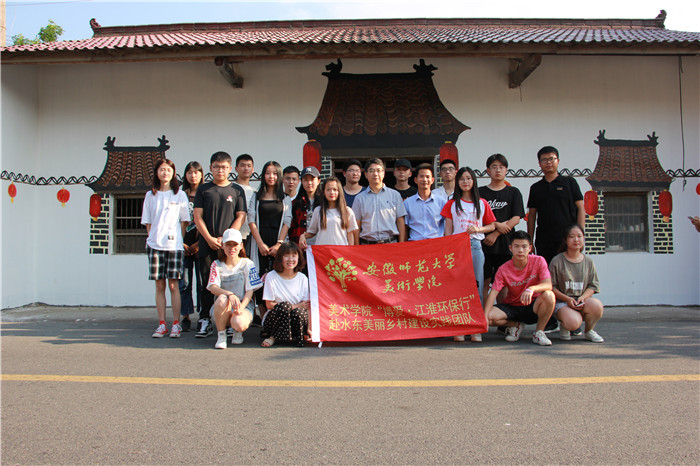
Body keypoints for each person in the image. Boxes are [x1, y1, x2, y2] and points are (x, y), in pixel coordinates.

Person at [193, 152, 247, 338]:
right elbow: (197, 216)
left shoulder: (237, 190)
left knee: (231, 281)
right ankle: (204, 319)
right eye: (216, 167)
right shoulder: (204, 189)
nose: (220, 170)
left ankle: (230, 320)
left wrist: (226, 238)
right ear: (210, 168)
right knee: (207, 283)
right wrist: (209, 238)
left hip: (229, 246)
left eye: (224, 167)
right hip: (207, 244)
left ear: (230, 169)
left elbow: (241, 216)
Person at [441, 166, 496, 342]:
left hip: (475, 246)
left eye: (468, 178)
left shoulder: (482, 203)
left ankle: (475, 328)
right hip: (456, 248)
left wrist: (478, 229)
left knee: (476, 287)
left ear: (474, 181)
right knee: (457, 289)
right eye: (462, 179)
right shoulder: (451, 204)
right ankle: (459, 327)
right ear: (457, 182)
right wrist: (447, 249)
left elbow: (492, 225)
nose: (465, 182)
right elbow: (448, 230)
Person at [140, 158, 190, 338]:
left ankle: (176, 324)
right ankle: (162, 324)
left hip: (174, 246)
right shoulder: (150, 195)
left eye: (168, 170)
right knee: (159, 285)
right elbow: (147, 221)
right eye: (162, 169)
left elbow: (184, 221)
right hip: (155, 245)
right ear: (156, 172)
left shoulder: (180, 195)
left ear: (173, 173)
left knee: (174, 285)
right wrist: (152, 238)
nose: (165, 173)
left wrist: (179, 240)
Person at [483, 231, 556, 346]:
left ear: (530, 248)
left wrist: (531, 289)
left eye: (524, 246)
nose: (520, 250)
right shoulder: (503, 269)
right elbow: (493, 292)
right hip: (513, 307)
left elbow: (548, 285)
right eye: (516, 246)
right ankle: (515, 325)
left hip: (533, 305)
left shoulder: (539, 261)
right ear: (510, 248)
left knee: (549, 295)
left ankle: (539, 332)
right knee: (489, 316)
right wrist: (485, 317)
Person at [248, 161, 293, 318]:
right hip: (259, 242)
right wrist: (260, 243)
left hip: (277, 242)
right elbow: (251, 220)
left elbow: (287, 221)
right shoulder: (256, 196)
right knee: (259, 278)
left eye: (274, 173)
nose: (271, 176)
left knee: (278, 276)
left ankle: (278, 316)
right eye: (268, 173)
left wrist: (279, 244)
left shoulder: (285, 198)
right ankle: (264, 318)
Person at [479, 154, 525, 304]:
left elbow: (516, 218)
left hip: (506, 245)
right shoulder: (480, 192)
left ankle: (502, 313)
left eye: (501, 167)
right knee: (484, 281)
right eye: (494, 167)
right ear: (488, 170)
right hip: (484, 244)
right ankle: (485, 315)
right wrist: (497, 225)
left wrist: (496, 233)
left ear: (506, 170)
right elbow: (477, 217)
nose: (498, 170)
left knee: (503, 283)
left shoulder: (513, 192)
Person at [527, 146, 585, 264]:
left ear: (558, 161)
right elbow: (532, 216)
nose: (548, 162)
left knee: (568, 270)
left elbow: (581, 208)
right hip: (544, 239)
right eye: (544, 160)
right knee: (546, 271)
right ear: (539, 163)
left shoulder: (570, 183)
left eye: (551, 159)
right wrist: (530, 241)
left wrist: (580, 237)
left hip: (567, 238)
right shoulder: (536, 188)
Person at [207, 229, 263, 349]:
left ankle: (237, 331)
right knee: (222, 299)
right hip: (222, 308)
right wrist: (229, 294)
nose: (232, 248)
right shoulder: (216, 264)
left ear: (241, 246)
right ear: (222, 246)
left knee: (240, 323)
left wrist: (241, 307)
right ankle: (221, 335)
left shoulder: (247, 264)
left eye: (235, 245)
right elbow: (212, 287)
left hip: (243, 306)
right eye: (228, 244)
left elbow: (250, 291)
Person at [549, 224, 605, 342]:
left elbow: (593, 285)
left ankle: (589, 331)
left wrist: (582, 298)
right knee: (573, 322)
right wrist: (567, 299)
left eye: (579, 236)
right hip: (563, 302)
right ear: (565, 240)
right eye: (572, 236)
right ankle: (565, 325)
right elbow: (551, 287)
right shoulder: (557, 261)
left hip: (581, 301)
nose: (576, 240)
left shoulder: (588, 261)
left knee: (597, 306)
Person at [261, 242, 311, 347]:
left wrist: (310, 329)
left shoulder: (302, 278)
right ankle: (273, 337)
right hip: (274, 319)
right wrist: (295, 306)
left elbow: (307, 306)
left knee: (299, 313)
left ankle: (297, 336)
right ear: (280, 258)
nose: (290, 259)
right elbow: (269, 305)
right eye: (287, 256)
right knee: (284, 306)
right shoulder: (271, 276)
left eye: (294, 256)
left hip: (294, 318)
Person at [352, 158, 407, 244]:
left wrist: (402, 244)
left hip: (390, 244)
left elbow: (400, 220)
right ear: (366, 174)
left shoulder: (395, 195)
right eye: (371, 171)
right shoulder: (359, 198)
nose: (375, 174)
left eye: (378, 170)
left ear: (383, 173)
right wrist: (356, 246)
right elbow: (356, 223)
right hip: (367, 245)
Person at [179, 160, 204, 332]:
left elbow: (208, 221)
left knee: (202, 283)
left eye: (196, 172)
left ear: (201, 174)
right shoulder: (180, 195)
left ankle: (203, 316)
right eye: (189, 172)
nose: (193, 175)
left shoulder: (205, 194)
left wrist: (198, 244)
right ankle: (186, 316)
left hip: (201, 245)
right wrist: (180, 242)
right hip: (182, 245)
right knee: (185, 283)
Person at [300, 176, 358, 248]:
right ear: (323, 192)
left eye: (335, 189)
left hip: (340, 252)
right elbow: (312, 232)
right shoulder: (318, 211)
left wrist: (350, 250)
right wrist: (303, 236)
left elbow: (350, 234)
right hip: (322, 252)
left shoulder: (347, 211)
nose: (332, 192)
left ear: (339, 191)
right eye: (328, 189)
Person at [404, 163, 447, 241]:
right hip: (416, 244)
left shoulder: (441, 202)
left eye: (427, 177)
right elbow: (405, 227)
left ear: (432, 180)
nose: (424, 180)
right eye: (421, 176)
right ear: (416, 180)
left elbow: (448, 225)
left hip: (436, 243)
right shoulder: (407, 203)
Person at [288, 166, 321, 246]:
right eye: (306, 180)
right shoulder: (295, 204)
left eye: (312, 179)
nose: (309, 183)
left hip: (320, 246)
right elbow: (291, 227)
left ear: (318, 181)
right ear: (301, 182)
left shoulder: (325, 203)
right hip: (302, 247)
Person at [234, 154, 256, 256]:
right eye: (242, 165)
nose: (246, 168)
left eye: (249, 166)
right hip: (236, 235)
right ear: (236, 169)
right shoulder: (232, 188)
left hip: (251, 236)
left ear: (253, 169)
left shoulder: (255, 191)